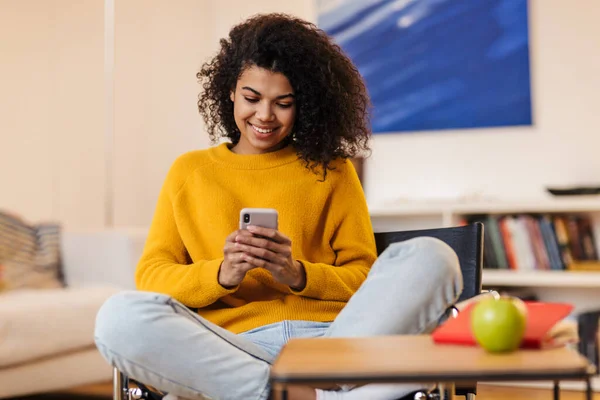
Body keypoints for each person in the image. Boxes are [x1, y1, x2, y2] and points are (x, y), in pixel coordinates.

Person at [94, 13, 462, 400]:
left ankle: (296, 389)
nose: (264, 116)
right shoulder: (190, 172)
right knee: (118, 318)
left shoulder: (333, 169)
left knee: (432, 255)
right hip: (234, 348)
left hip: (332, 345)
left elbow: (363, 276)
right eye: (252, 98)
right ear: (230, 92)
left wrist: (297, 274)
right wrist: (222, 274)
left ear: (304, 104)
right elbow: (152, 276)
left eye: (282, 103)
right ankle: (309, 395)